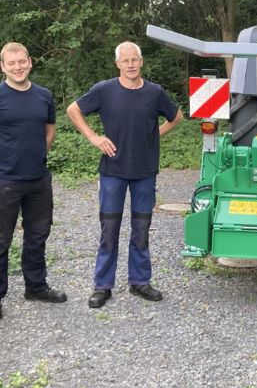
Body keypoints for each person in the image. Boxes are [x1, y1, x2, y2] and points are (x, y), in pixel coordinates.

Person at [66, 42, 183, 308]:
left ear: (141, 62)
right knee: (109, 229)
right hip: (112, 172)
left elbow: (176, 117)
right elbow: (73, 110)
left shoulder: (155, 93)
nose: (130, 65)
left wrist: (155, 135)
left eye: (135, 60)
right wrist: (94, 137)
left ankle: (140, 282)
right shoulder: (104, 90)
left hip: (144, 172)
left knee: (141, 228)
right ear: (117, 64)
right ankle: (102, 286)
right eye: (125, 61)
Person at [0, 42, 66, 323]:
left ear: (30, 62)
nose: (17, 67)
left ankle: (36, 288)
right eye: (11, 63)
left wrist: (36, 159)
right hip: (4, 183)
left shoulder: (44, 96)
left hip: (39, 181)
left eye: (21, 62)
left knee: (37, 237)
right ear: (3, 66)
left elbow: (50, 132)